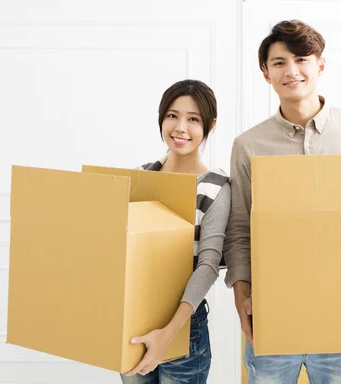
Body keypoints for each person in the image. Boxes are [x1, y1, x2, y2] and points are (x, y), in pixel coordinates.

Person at [224, 20, 341, 384]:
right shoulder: (249, 145)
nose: (291, 71)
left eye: (301, 59)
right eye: (279, 63)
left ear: (319, 65)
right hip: (273, 313)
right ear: (266, 74)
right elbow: (240, 228)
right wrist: (242, 297)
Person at [122, 79, 231, 384]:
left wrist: (168, 334)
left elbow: (208, 266)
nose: (180, 127)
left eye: (193, 119)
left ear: (209, 125)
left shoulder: (216, 187)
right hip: (132, 319)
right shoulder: (141, 177)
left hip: (184, 325)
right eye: (172, 115)